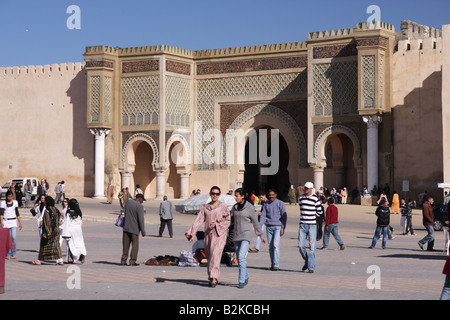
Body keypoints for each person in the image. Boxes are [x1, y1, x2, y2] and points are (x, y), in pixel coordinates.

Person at [185, 186, 231, 287]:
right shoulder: (205, 207)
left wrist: (219, 223)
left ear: (219, 195)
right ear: (210, 194)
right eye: (213, 193)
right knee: (210, 256)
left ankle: (214, 277)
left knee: (215, 255)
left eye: (217, 194)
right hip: (208, 235)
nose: (215, 195)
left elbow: (228, 219)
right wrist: (191, 232)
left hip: (219, 235)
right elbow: (198, 221)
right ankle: (211, 276)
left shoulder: (223, 206)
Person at [231, 188, 265, 288]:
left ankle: (241, 280)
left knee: (241, 257)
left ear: (242, 196)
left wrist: (260, 235)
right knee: (239, 257)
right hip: (236, 235)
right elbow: (231, 220)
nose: (235, 197)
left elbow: (255, 222)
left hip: (246, 235)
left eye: (237, 195)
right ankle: (246, 275)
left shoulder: (249, 207)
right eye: (235, 195)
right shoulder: (235, 207)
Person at [298, 182, 323, 273]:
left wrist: (312, 216)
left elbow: (319, 212)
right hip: (302, 225)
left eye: (307, 188)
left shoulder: (315, 199)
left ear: (312, 188)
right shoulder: (301, 198)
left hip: (312, 225)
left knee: (312, 247)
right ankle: (307, 260)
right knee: (301, 246)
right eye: (305, 187)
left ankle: (311, 267)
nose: (306, 189)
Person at [260, 189, 287, 271]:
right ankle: (272, 264)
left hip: (278, 227)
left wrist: (283, 228)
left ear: (276, 195)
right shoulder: (266, 204)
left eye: (272, 195)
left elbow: (284, 216)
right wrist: (260, 225)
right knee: (271, 246)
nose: (271, 196)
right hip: (269, 227)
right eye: (270, 195)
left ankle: (276, 264)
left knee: (275, 245)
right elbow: (263, 215)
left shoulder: (280, 203)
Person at [32, 197, 64, 265]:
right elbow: (57, 220)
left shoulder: (47, 210)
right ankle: (60, 260)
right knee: (56, 246)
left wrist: (48, 233)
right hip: (56, 230)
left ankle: (39, 260)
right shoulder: (56, 209)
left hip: (49, 231)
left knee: (43, 245)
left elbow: (47, 222)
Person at [121, 194, 146, 266]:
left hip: (126, 228)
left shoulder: (128, 202)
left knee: (125, 246)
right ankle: (132, 261)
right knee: (135, 246)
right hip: (134, 229)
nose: (142, 202)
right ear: (139, 199)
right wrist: (143, 232)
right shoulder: (139, 206)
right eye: (142, 200)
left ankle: (123, 261)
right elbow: (141, 220)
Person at [61, 199, 86, 264]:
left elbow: (67, 222)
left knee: (71, 244)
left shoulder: (69, 212)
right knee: (79, 242)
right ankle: (82, 253)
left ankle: (72, 258)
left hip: (71, 229)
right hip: (78, 230)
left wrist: (65, 233)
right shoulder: (79, 212)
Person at [0, 191, 22, 259]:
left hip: (13, 221)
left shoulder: (15, 202)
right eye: (8, 196)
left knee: (13, 237)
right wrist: (1, 222)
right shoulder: (3, 203)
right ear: (6, 196)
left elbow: (17, 213)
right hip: (6, 221)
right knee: (7, 238)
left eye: (11, 196)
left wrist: (20, 222)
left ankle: (14, 252)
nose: (10, 198)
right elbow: (1, 213)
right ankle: (8, 253)